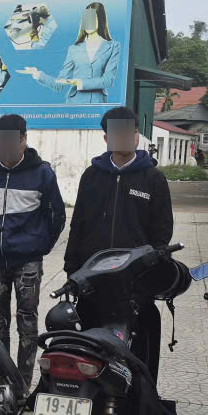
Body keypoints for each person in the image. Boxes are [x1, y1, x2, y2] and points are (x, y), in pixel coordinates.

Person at [64, 105, 174, 381]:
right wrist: (72, 269)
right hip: (93, 279)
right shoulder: (92, 176)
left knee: (138, 348)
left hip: (134, 283)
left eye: (131, 132)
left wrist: (150, 273)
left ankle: (141, 401)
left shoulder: (153, 179)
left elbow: (162, 234)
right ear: (107, 138)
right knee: (90, 348)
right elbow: (78, 225)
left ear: (137, 136)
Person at [0, 114, 66, 383]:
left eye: (16, 140)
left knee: (27, 322)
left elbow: (56, 216)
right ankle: (3, 383)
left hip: (28, 263)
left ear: (24, 139)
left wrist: (41, 245)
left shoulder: (42, 174)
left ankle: (22, 383)